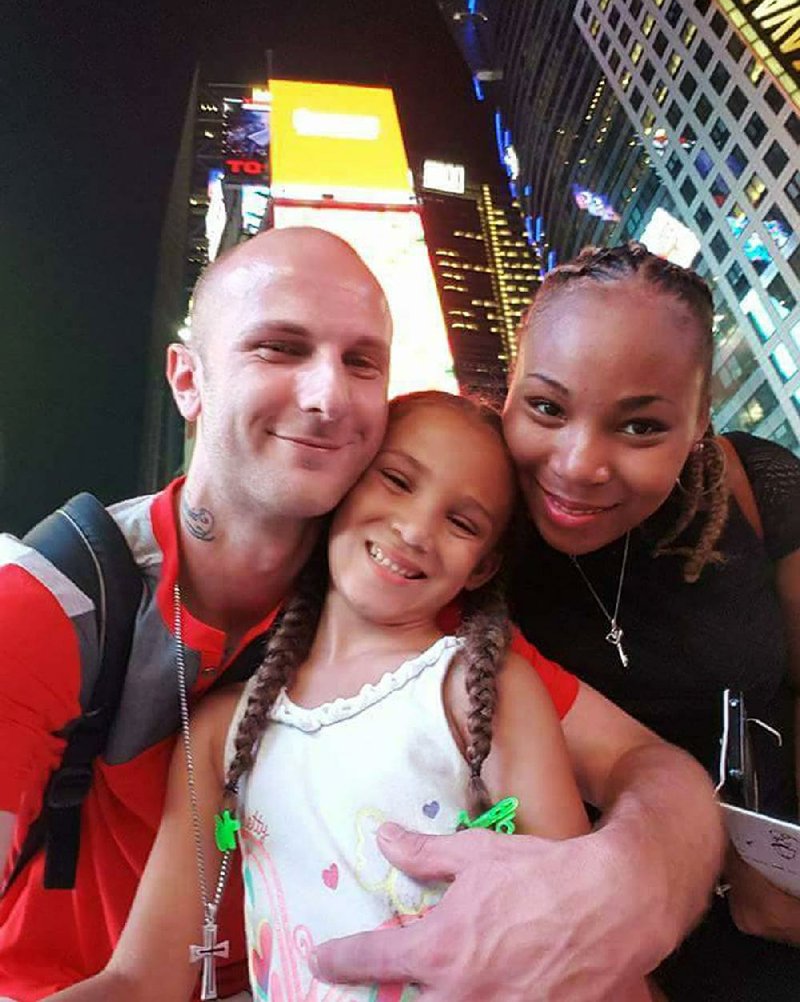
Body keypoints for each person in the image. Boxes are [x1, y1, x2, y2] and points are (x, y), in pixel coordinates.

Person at [0, 227, 720, 1002]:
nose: (325, 395)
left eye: (361, 361)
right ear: (188, 378)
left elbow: (644, 770)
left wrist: (616, 890)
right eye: (279, 347)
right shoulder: (52, 607)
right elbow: (142, 980)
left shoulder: (422, 627)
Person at [53, 391, 654, 1001]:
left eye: (462, 522)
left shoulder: (481, 691)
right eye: (396, 480)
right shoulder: (221, 730)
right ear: (343, 487)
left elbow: (584, 945)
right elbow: (143, 978)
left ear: (481, 566)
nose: (416, 529)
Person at [501, 242, 800, 1000]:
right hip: (605, 958)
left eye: (639, 428)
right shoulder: (465, 528)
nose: (579, 464)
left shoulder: (755, 486)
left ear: (700, 419)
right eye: (547, 407)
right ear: (509, 385)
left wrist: (778, 860)